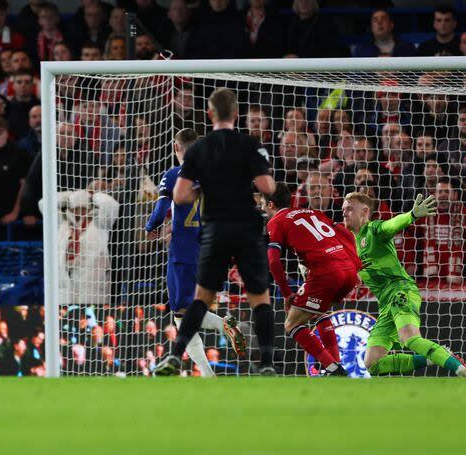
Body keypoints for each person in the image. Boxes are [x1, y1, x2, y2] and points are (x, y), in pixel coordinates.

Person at [154, 87, 276, 376]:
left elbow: (181, 195)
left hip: (215, 231)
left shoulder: (198, 150)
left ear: (210, 114)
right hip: (246, 229)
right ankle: (268, 364)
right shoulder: (251, 145)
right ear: (236, 114)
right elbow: (267, 187)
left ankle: (174, 356)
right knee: (260, 297)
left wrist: (204, 186)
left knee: (200, 298)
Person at [145, 128, 247, 378]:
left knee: (182, 314)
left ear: (175, 147)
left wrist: (150, 227)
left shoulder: (173, 175)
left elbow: (160, 212)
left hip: (184, 251)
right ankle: (207, 373)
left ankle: (222, 328)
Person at [341, 192, 466, 377]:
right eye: (343, 209)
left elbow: (392, 225)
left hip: (401, 291)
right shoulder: (349, 243)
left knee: (411, 339)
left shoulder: (374, 230)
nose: (344, 213)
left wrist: (411, 215)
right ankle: (437, 355)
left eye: (349, 208)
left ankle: (464, 373)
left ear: (364, 211)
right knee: (372, 363)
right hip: (386, 305)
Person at [262, 183, 361, 376]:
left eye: (263, 205)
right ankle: (334, 365)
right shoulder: (311, 212)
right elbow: (345, 232)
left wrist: (286, 293)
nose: (262, 209)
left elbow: (273, 261)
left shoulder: (276, 221)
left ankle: (332, 368)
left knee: (291, 324)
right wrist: (356, 264)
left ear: (271, 205)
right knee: (318, 312)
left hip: (327, 273)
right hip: (348, 271)